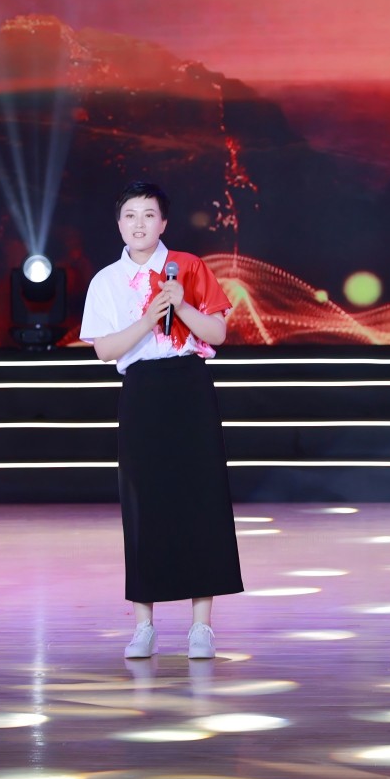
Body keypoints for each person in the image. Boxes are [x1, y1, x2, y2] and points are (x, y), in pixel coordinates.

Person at [79, 182, 242, 660]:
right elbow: (105, 350)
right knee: (143, 502)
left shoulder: (189, 266)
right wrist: (150, 318)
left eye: (149, 215)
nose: (139, 224)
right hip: (143, 390)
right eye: (130, 215)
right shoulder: (107, 281)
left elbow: (217, 333)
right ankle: (144, 625)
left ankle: (201, 626)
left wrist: (181, 306)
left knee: (202, 499)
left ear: (163, 223)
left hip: (189, 385)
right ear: (119, 224)